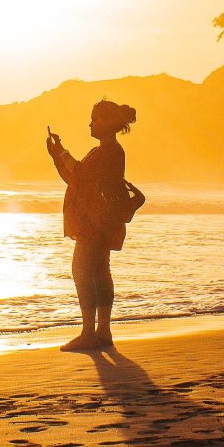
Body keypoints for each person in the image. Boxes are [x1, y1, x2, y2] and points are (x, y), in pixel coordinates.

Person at [46, 99, 138, 352]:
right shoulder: (108, 150)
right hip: (104, 221)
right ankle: (102, 332)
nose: (90, 123)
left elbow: (78, 175)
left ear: (107, 123)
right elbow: (76, 179)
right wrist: (57, 156)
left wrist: (61, 153)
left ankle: (90, 333)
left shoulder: (108, 151)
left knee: (83, 272)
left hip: (95, 222)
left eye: (94, 119)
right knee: (99, 272)